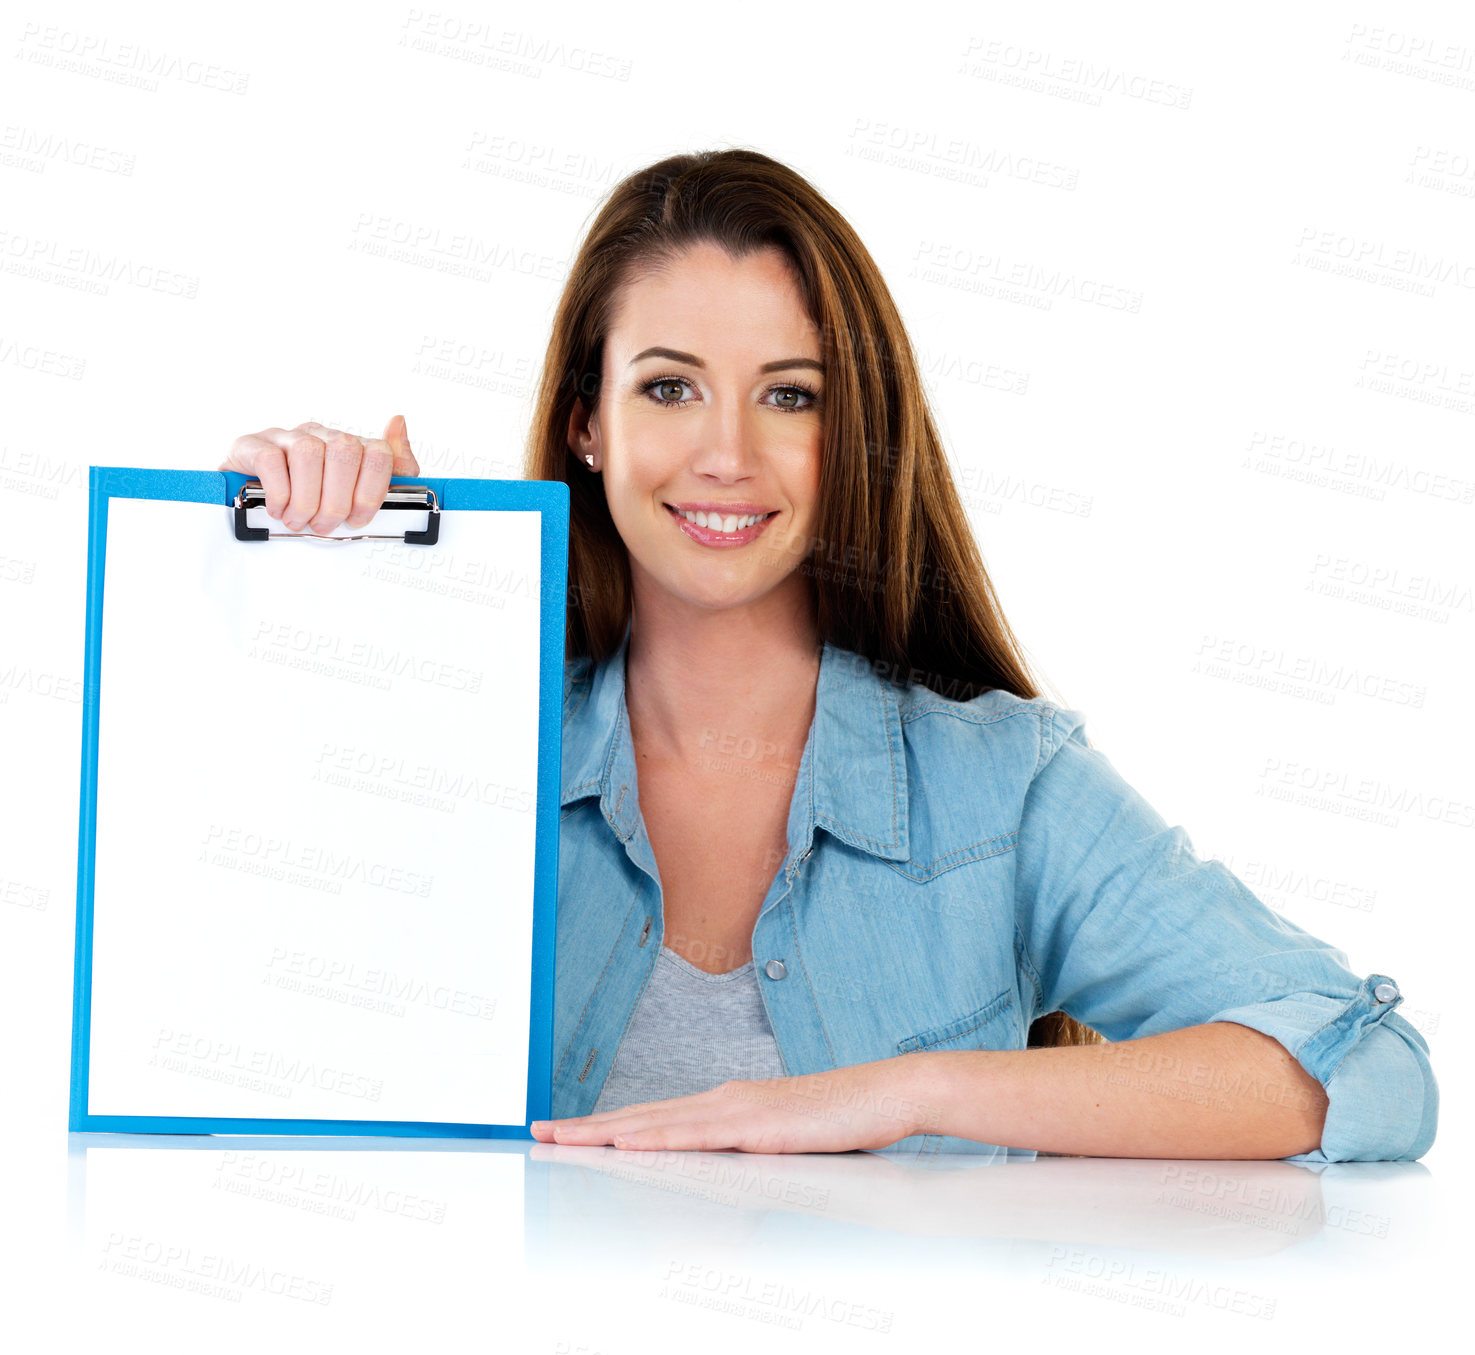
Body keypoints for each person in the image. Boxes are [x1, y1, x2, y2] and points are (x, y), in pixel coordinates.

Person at [221, 149, 1436, 1162]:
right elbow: (237, 1007)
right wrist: (338, 589)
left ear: (849, 427)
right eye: (668, 388)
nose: (726, 454)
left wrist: (916, 1091)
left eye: (789, 396)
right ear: (587, 421)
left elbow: (1367, 1061)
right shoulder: (464, 749)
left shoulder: (1000, 788)